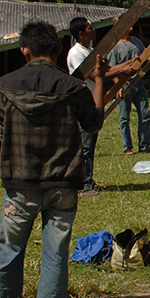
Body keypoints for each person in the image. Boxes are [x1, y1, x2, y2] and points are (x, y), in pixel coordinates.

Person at [0, 20, 107, 298]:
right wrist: (100, 80)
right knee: (55, 253)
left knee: (9, 249)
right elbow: (93, 123)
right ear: (57, 49)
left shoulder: (4, 85)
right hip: (61, 183)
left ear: (24, 50)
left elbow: (2, 130)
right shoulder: (73, 86)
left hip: (20, 182)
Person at [66, 17, 101, 194]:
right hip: (82, 104)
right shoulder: (76, 53)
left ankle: (88, 179)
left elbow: (106, 70)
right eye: (89, 28)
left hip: (91, 102)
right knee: (84, 145)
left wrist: (126, 67)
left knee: (90, 143)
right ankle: (83, 183)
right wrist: (123, 69)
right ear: (81, 33)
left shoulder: (90, 50)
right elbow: (96, 76)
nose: (93, 30)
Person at [106, 28, 150, 154]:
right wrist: (117, 85)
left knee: (144, 114)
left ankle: (144, 146)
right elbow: (111, 70)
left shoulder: (136, 42)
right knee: (124, 117)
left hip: (138, 82)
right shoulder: (115, 46)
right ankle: (127, 147)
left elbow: (146, 56)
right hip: (124, 84)